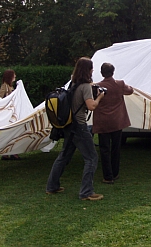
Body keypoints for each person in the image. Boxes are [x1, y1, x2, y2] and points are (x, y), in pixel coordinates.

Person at [46, 57, 105, 201]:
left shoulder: (73, 83)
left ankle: (52, 186)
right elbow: (91, 106)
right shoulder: (85, 87)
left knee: (64, 156)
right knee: (91, 158)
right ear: (89, 70)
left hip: (69, 126)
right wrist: (99, 97)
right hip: (79, 127)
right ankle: (86, 192)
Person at [92, 63, 133, 184]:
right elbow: (130, 91)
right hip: (117, 121)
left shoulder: (97, 86)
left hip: (103, 122)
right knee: (116, 148)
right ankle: (115, 173)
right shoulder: (119, 84)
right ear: (113, 72)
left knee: (104, 149)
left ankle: (107, 177)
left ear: (101, 73)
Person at [0, 69, 20, 160]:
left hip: (12, 113)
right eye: (14, 75)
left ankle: (9, 153)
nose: (15, 76)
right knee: (11, 133)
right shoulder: (5, 86)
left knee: (13, 133)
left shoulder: (10, 86)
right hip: (8, 114)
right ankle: (10, 153)